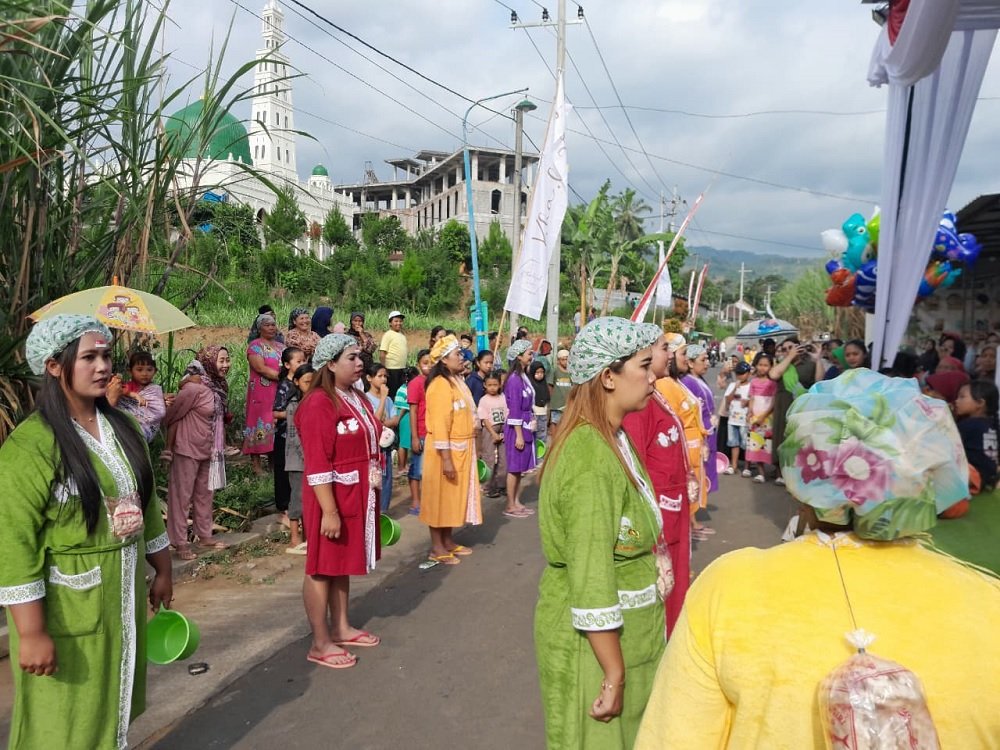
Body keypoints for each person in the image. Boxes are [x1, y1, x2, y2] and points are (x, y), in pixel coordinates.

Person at [635, 369, 1000, 749]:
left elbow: (675, 737)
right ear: (926, 475)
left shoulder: (730, 588)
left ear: (801, 477)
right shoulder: (989, 601)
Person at [0, 314, 172, 748]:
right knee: (62, 718)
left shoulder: (125, 428)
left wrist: (163, 567)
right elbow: (14, 542)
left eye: (107, 356)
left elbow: (146, 503)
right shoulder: (31, 444)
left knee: (112, 701)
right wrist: (33, 632)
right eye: (89, 357)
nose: (103, 367)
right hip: (67, 606)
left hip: (122, 592)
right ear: (54, 366)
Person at [535, 316, 669, 750]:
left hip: (629, 635)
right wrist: (613, 674)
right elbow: (592, 576)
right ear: (608, 376)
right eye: (644, 366)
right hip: (597, 649)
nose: (653, 377)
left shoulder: (615, 439)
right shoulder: (590, 457)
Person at [296, 334, 383, 670]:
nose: (359, 362)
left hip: (353, 493)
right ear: (330, 364)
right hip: (328, 497)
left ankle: (342, 626)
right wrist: (329, 511)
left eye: (360, 356)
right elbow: (317, 462)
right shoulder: (319, 402)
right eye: (351, 357)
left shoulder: (354, 396)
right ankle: (320, 642)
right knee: (321, 567)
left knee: (341, 563)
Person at [622, 323, 692, 637]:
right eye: (665, 347)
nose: (671, 354)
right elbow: (634, 467)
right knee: (659, 588)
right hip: (658, 514)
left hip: (672, 508)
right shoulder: (640, 404)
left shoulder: (657, 395)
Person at [420, 335, 483, 564]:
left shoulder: (456, 381)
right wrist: (446, 459)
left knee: (451, 498)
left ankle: (447, 540)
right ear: (444, 360)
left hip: (461, 448)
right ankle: (436, 546)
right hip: (444, 452)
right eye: (457, 354)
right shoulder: (439, 385)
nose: (462, 357)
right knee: (439, 498)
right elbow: (439, 424)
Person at [163, 359, 229, 559]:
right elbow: (171, 415)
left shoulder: (216, 391)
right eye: (220, 360)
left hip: (208, 449)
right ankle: (180, 542)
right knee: (181, 497)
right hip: (187, 448)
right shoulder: (192, 390)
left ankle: (204, 535)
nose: (225, 365)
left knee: (205, 494)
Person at [656, 334, 712, 539]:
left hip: (693, 445)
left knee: (691, 491)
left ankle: (688, 527)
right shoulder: (666, 384)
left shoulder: (675, 382)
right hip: (684, 447)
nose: (685, 359)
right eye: (683, 353)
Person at [768, 338, 824, 484]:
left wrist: (818, 360)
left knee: (800, 439)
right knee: (782, 436)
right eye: (785, 349)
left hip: (801, 407)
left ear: (799, 347)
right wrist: (789, 357)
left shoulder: (809, 364)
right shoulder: (783, 365)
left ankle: (799, 472)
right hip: (783, 405)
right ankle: (780, 471)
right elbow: (773, 375)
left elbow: (819, 381)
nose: (787, 350)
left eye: (791, 347)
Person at [243, 312, 285, 475]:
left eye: (273, 324)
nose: (271, 327)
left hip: (278, 391)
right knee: (258, 422)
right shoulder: (255, 346)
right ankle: (256, 465)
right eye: (267, 325)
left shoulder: (281, 346)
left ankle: (273, 464)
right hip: (261, 392)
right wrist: (282, 378)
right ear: (260, 328)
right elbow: (260, 368)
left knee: (275, 423)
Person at [273, 347, 306, 527]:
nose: (303, 364)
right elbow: (275, 413)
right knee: (283, 473)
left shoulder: (302, 383)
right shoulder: (284, 386)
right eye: (298, 361)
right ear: (287, 365)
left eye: (304, 360)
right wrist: (295, 413)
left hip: (299, 436)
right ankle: (283, 510)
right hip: (285, 435)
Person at [503, 339, 537, 517]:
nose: (532, 356)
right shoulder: (514, 380)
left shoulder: (523, 377)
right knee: (514, 467)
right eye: (529, 353)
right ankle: (510, 504)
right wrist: (518, 435)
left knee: (519, 469)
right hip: (516, 428)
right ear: (519, 356)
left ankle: (516, 500)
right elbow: (515, 408)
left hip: (524, 424)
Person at [284, 363, 314, 554]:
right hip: (298, 460)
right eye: (306, 382)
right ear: (296, 382)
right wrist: (308, 457)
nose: (310, 385)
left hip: (311, 459)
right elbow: (294, 436)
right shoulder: (293, 406)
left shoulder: (314, 402)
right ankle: (295, 539)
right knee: (297, 499)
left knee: (309, 500)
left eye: (313, 382)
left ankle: (308, 538)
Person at [682, 344, 718, 500]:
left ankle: (695, 513)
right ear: (690, 363)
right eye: (703, 360)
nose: (707, 363)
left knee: (704, 470)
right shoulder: (687, 382)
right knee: (696, 472)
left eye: (707, 359)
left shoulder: (698, 379)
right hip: (699, 434)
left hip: (707, 431)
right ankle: (692, 517)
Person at [107, 350, 167, 442]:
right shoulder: (127, 386)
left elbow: (159, 411)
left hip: (144, 428)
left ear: (155, 371)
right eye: (139, 369)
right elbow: (120, 392)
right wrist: (133, 394)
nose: (145, 373)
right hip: (125, 424)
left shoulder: (154, 390)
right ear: (130, 371)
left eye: (149, 369)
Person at [365, 362, 401, 512]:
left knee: (386, 479)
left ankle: (383, 512)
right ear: (369, 378)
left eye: (385, 376)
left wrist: (383, 422)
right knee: (373, 479)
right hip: (373, 446)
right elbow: (374, 420)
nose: (384, 379)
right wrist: (383, 398)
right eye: (379, 376)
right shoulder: (366, 398)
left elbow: (395, 419)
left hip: (385, 445)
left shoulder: (389, 400)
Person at [954, 380, 999, 492]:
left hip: (973, 476)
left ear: (980, 403)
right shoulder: (993, 424)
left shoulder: (968, 425)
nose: (956, 401)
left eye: (962, 397)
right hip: (991, 476)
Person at [407, 349, 433, 516]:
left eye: (432, 363)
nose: (429, 366)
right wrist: (415, 437)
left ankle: (428, 500)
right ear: (419, 364)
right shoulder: (416, 383)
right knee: (417, 469)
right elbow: (413, 411)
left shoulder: (437, 381)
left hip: (434, 432)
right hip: (421, 432)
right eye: (425, 363)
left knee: (429, 470)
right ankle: (416, 500)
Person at [746, 352, 777, 483]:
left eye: (766, 365)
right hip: (755, 418)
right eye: (760, 365)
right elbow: (752, 398)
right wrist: (749, 412)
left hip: (768, 418)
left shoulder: (773, 383)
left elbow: (773, 402)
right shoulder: (753, 382)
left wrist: (764, 416)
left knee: (770, 444)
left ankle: (779, 474)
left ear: (771, 366)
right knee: (757, 444)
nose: (762, 367)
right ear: (756, 365)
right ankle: (761, 473)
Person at [477, 372, 508, 498]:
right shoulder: (484, 400)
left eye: (495, 385)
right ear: (485, 385)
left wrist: (505, 431)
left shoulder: (503, 397)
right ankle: (488, 486)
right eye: (489, 385)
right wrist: (493, 433)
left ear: (500, 385)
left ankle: (501, 484)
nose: (492, 388)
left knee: (503, 458)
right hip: (490, 430)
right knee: (489, 457)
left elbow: (507, 414)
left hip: (503, 429)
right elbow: (484, 419)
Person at [724, 363, 752, 476]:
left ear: (749, 374)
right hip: (732, 420)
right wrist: (735, 388)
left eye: (742, 373)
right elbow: (728, 400)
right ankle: (734, 466)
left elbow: (754, 401)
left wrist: (748, 402)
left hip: (745, 421)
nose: (739, 376)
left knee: (746, 444)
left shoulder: (751, 386)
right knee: (734, 444)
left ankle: (747, 467)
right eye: (738, 373)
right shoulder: (732, 385)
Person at [393, 366, 416, 479]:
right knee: (404, 443)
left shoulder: (403, 387)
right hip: (405, 415)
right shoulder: (407, 389)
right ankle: (401, 467)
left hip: (404, 415)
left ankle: (403, 465)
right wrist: (398, 419)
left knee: (405, 443)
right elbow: (403, 407)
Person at [380, 310, 408, 398]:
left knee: (401, 392)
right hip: (391, 369)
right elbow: (382, 353)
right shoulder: (388, 335)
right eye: (396, 321)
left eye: (400, 321)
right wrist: (384, 369)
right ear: (390, 323)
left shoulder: (402, 336)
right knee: (392, 393)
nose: (398, 323)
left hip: (401, 369)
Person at [547, 348, 572, 439]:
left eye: (567, 359)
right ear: (558, 360)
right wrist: (551, 398)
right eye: (563, 359)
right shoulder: (555, 371)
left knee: (566, 422)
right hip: (557, 402)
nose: (565, 361)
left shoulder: (571, 372)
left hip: (567, 403)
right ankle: (554, 439)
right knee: (555, 421)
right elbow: (550, 385)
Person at [529, 359, 551, 445]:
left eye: (541, 372)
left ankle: (542, 455)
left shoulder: (544, 384)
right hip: (534, 415)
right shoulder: (530, 384)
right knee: (534, 436)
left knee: (542, 436)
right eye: (537, 372)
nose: (540, 375)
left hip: (543, 414)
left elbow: (547, 400)